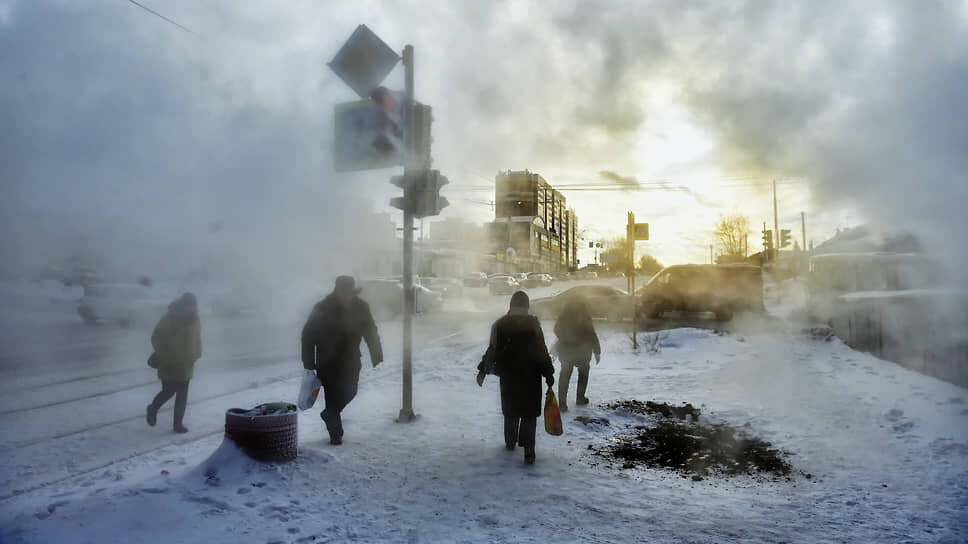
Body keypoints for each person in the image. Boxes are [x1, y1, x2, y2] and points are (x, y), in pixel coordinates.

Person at [301, 276, 383, 445]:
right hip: (327, 361)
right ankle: (335, 435)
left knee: (351, 391)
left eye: (349, 293)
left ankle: (329, 414)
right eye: (343, 292)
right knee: (332, 398)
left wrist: (377, 354)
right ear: (336, 291)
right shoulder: (322, 308)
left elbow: (370, 331)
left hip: (351, 359)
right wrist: (309, 363)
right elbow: (307, 336)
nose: (346, 296)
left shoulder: (361, 307)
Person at [476, 291, 555, 464]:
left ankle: (510, 442)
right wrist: (548, 373)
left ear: (511, 306)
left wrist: (483, 370)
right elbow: (542, 352)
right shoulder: (534, 325)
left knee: (511, 411)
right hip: (531, 378)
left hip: (509, 376)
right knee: (529, 414)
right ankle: (529, 451)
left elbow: (492, 350)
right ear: (527, 306)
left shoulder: (500, 324)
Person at [146, 293, 202, 434]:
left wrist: (198, 352)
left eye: (193, 306)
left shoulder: (195, 319)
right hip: (169, 364)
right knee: (168, 391)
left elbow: (197, 338)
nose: (191, 308)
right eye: (188, 305)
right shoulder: (170, 318)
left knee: (182, 395)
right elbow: (156, 337)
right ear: (183, 304)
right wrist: (165, 354)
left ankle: (178, 424)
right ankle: (153, 408)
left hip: (186, 363)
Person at [553, 299, 601, 412]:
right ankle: (580, 398)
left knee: (565, 375)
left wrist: (565, 339)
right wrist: (597, 351)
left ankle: (562, 404)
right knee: (583, 373)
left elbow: (556, 330)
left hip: (566, 351)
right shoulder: (585, 316)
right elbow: (592, 334)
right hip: (582, 352)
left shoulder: (563, 316)